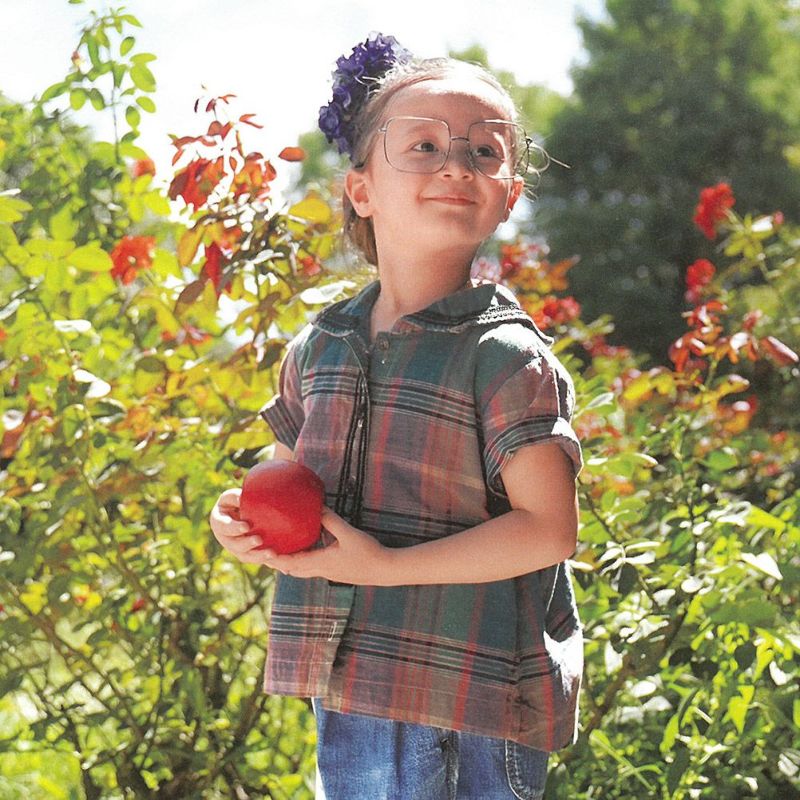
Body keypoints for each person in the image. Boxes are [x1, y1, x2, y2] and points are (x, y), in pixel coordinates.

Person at [209, 33, 583, 800]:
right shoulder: (320, 347)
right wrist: (243, 518)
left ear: (509, 196)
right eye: (425, 146)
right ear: (361, 191)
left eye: (484, 151)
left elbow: (549, 530)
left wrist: (385, 568)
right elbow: (290, 480)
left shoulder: (504, 356)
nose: (457, 166)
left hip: (465, 693)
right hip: (352, 687)